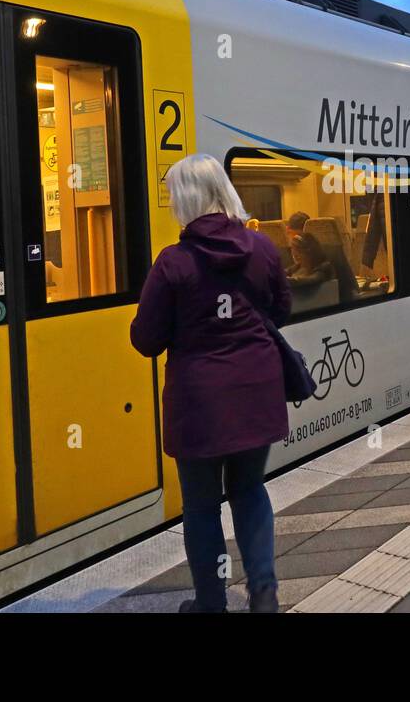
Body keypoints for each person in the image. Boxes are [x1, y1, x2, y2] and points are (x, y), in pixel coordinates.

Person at [129, 153, 290, 613]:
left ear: (186, 199)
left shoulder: (174, 263)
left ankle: (211, 603)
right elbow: (280, 312)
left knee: (202, 506)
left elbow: (147, 339)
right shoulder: (264, 248)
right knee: (250, 490)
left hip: (199, 403)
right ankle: (264, 595)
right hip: (257, 392)